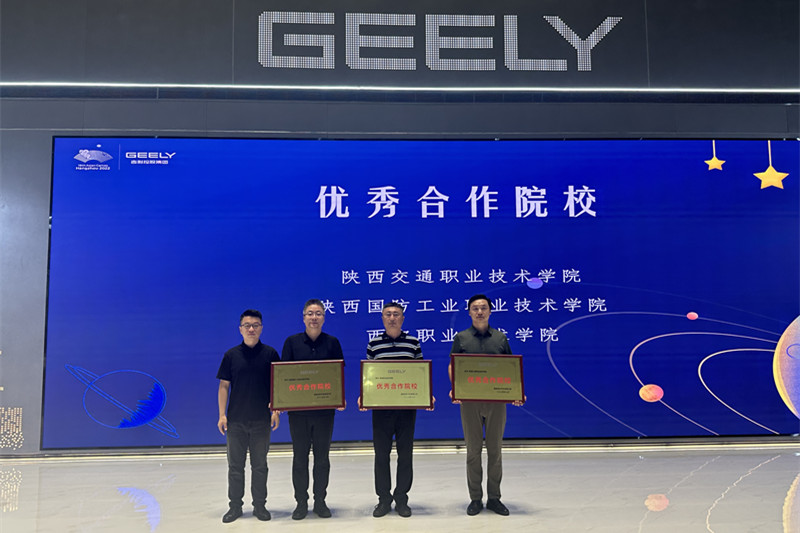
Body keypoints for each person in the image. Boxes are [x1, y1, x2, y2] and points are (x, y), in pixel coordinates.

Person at [449, 294, 523, 517]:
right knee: (473, 451)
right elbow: (453, 365)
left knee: (495, 451)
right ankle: (475, 498)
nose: (479, 312)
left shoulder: (500, 338)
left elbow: (511, 368)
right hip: (469, 402)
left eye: (483, 308)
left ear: (490, 311)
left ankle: (494, 498)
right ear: (469, 312)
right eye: (475, 308)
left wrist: (517, 392)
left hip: (496, 402)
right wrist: (455, 388)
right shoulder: (461, 338)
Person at [281, 298, 344, 520]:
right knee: (299, 458)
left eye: (318, 313)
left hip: (325, 413)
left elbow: (337, 374)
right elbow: (283, 376)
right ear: (303, 317)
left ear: (324, 318)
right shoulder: (291, 342)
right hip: (298, 413)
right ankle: (301, 503)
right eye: (310, 313)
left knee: (322, 458)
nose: (314, 317)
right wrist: (281, 402)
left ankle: (320, 501)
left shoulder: (332, 343)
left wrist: (340, 398)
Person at [362, 302, 426, 518]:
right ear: (382, 318)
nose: (392, 318)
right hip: (381, 410)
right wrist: (364, 395)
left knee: (405, 454)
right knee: (381, 455)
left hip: (406, 409)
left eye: (396, 314)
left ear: (402, 318)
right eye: (388, 314)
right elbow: (369, 375)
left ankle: (401, 498)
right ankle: (383, 499)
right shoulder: (374, 344)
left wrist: (426, 394)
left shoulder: (413, 342)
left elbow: (420, 373)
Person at [216, 309, 280, 523]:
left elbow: (278, 385)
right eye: (247, 325)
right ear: (240, 329)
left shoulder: (270, 354)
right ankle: (235, 507)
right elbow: (224, 386)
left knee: (260, 466)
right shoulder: (231, 355)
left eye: (255, 325)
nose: (251, 329)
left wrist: (276, 411)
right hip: (236, 421)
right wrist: (222, 415)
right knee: (235, 467)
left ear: (261, 328)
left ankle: (260, 506)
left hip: (262, 420)